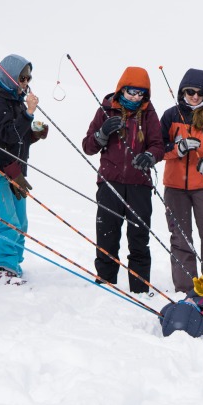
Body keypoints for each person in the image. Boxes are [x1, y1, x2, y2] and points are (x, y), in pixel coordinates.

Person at [81, 67, 165, 297]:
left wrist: (149, 156)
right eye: (132, 92)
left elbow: (158, 145)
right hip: (110, 182)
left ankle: (139, 289)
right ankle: (106, 284)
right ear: (121, 89)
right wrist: (102, 134)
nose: (136, 98)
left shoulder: (149, 114)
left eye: (141, 94)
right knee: (107, 233)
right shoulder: (106, 111)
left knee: (139, 237)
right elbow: (88, 146)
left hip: (140, 184)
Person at [0, 53, 48, 284]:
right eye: (22, 78)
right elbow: (8, 133)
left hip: (15, 170)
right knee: (8, 222)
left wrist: (34, 133)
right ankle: (4, 266)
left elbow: (18, 137)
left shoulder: (15, 101)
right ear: (9, 77)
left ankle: (14, 264)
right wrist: (28, 114)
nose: (26, 83)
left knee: (21, 222)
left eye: (28, 78)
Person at [159, 69, 203, 295]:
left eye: (200, 93)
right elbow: (158, 147)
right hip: (175, 186)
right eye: (190, 92)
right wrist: (177, 149)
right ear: (182, 91)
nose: (195, 96)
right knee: (180, 236)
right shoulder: (171, 115)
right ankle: (186, 286)